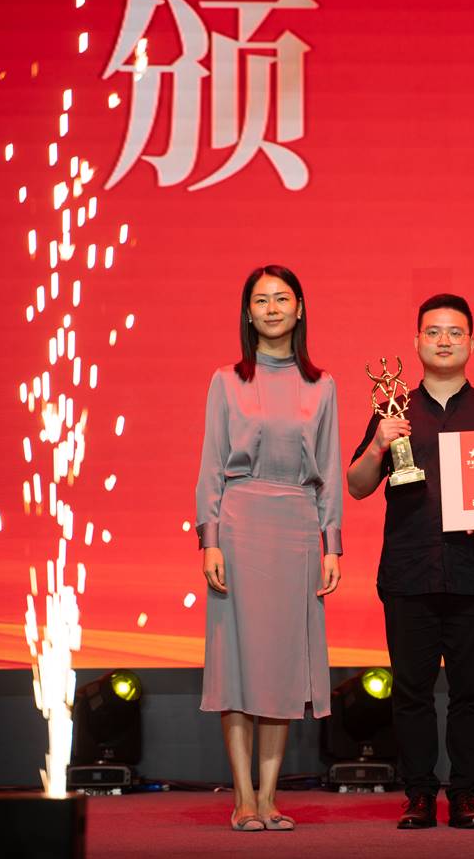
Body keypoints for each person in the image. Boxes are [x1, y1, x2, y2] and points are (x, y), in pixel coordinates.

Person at [347, 293, 474, 830]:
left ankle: (466, 795)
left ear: (471, 341)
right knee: (411, 693)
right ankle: (420, 795)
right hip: (409, 571)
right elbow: (357, 486)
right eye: (433, 332)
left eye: (454, 332)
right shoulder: (392, 409)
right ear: (417, 341)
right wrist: (377, 445)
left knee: (472, 693)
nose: (444, 341)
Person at [195, 265, 343, 833]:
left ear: (300, 308)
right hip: (238, 525)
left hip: (297, 528)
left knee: (281, 666)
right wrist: (209, 539)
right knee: (237, 663)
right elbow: (211, 465)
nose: (273, 308)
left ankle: (270, 796)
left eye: (283, 298)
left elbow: (329, 469)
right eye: (262, 300)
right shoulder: (226, 381)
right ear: (248, 312)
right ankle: (242, 799)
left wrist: (332, 546)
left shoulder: (322, 385)